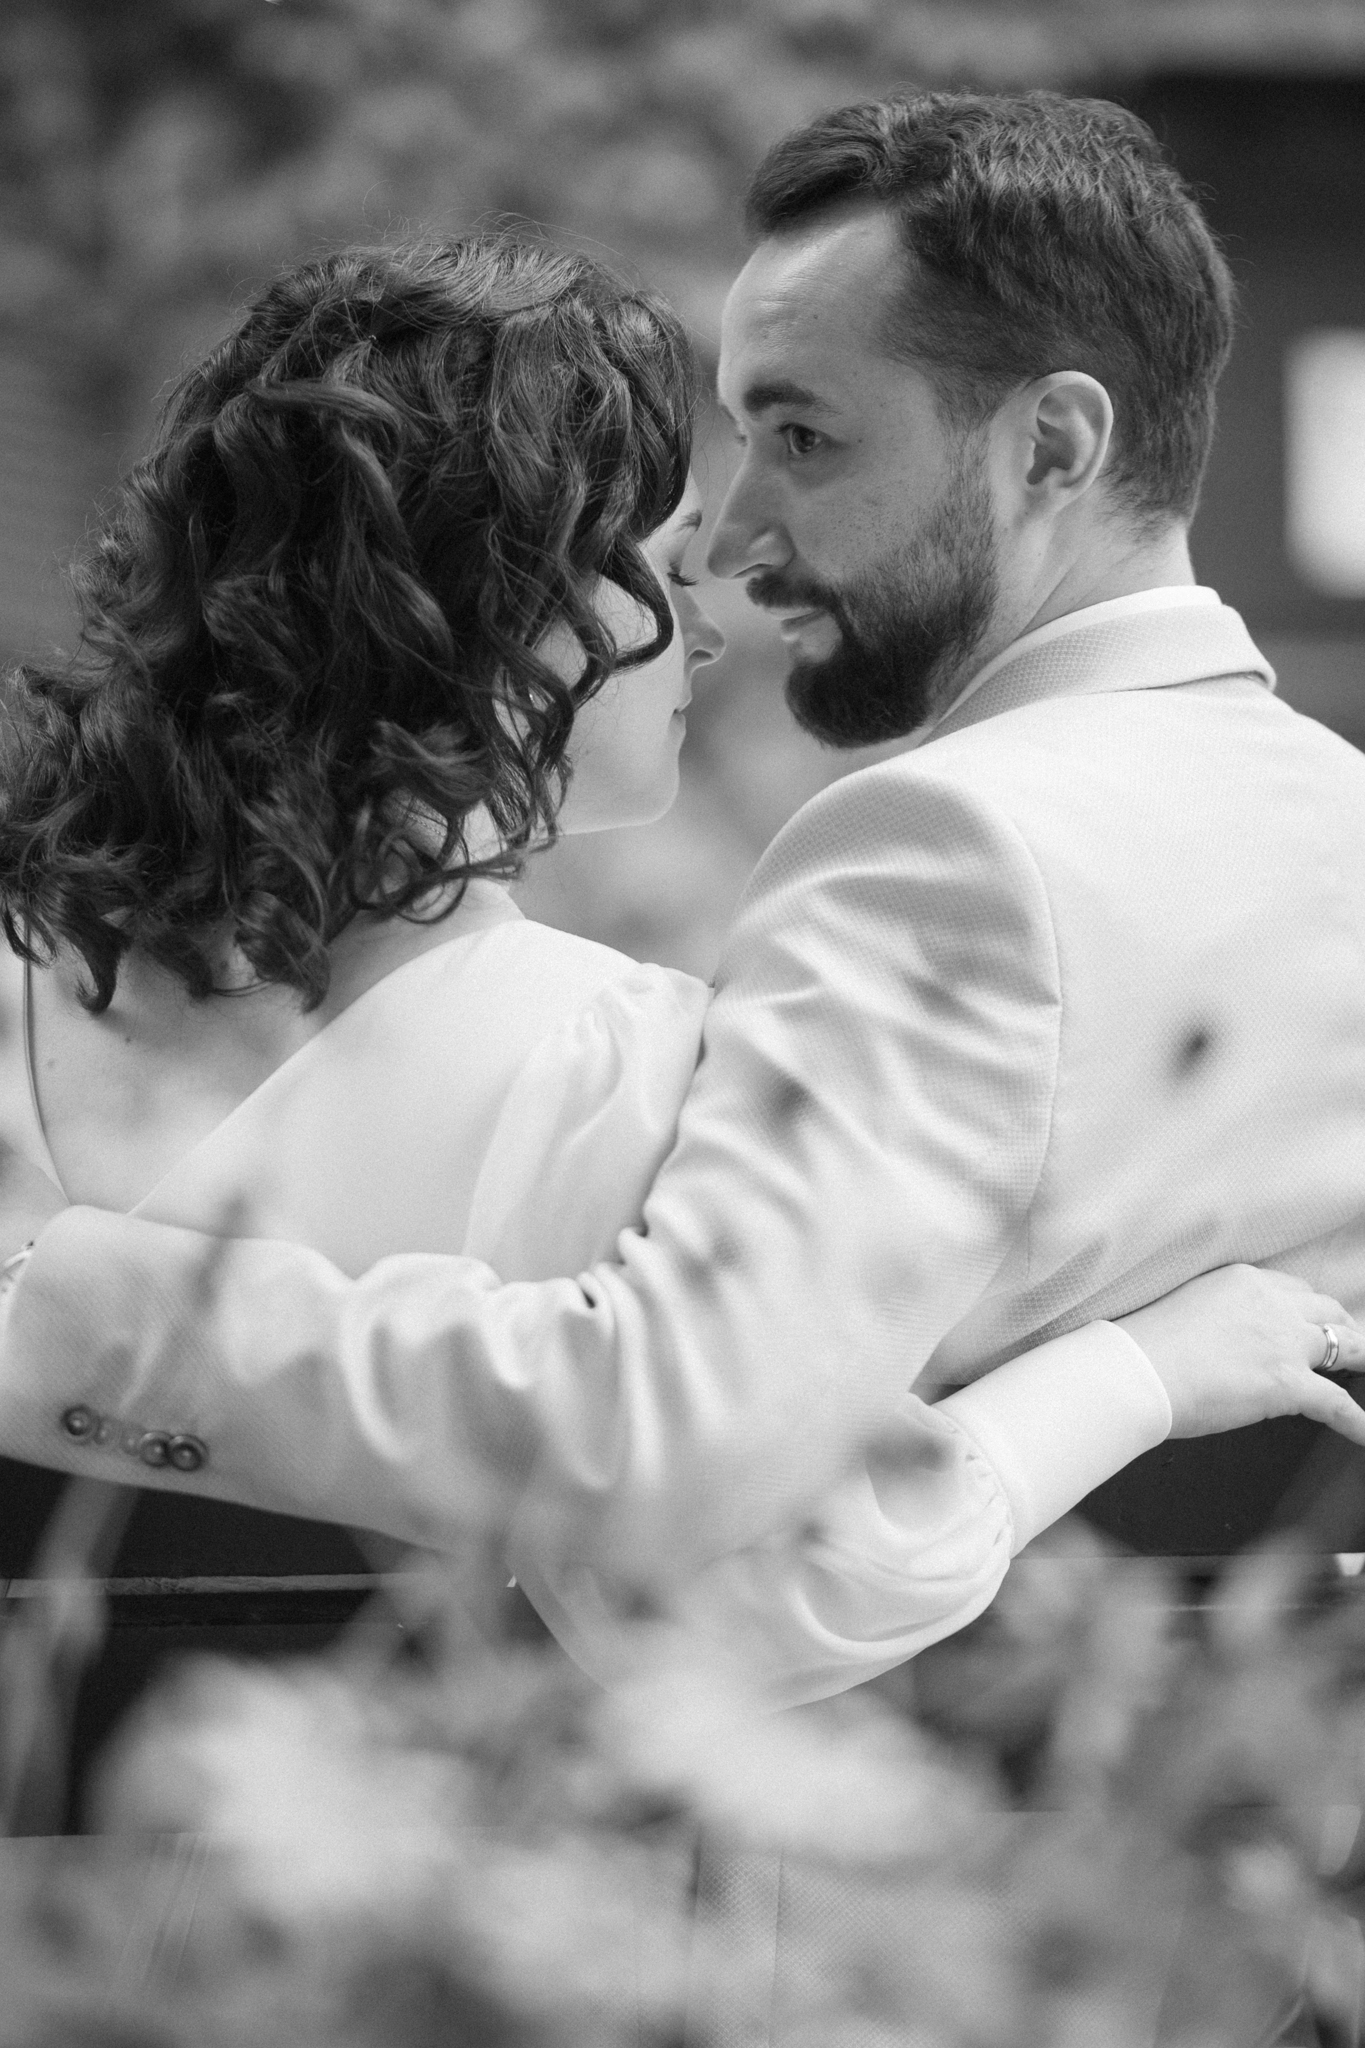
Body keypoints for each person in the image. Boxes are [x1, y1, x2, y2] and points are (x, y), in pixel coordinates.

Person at [0, 95, 1360, 1703]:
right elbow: (741, 1555)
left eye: (804, 437)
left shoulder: (948, 852)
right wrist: (1131, 1378)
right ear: (499, 613)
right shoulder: (608, 1070)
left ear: (1052, 448)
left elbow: (689, 1468)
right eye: (666, 543)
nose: (729, 564)